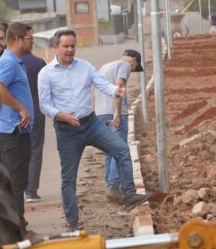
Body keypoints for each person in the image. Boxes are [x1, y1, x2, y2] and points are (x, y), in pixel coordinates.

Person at [38, 29, 152, 231]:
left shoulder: (84, 67)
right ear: (56, 47)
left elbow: (103, 85)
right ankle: (73, 221)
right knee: (68, 178)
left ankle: (128, 194)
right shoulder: (46, 74)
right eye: (66, 46)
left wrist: (117, 90)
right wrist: (62, 115)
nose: (70, 50)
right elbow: (44, 105)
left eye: (73, 45)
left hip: (91, 124)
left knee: (121, 149)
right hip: (67, 130)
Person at [0, 22, 34, 234]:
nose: (32, 41)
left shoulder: (15, 61)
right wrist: (21, 108)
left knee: (19, 181)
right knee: (15, 183)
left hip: (18, 131)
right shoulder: (8, 62)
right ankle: (18, 229)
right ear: (17, 39)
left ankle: (19, 225)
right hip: (12, 133)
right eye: (29, 38)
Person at [95, 49, 144, 205]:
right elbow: (119, 86)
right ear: (134, 60)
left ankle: (111, 186)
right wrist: (117, 112)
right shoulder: (125, 65)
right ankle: (118, 188)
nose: (133, 71)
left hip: (101, 113)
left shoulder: (105, 67)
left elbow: (95, 89)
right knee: (121, 151)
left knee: (110, 151)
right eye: (136, 67)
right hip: (114, 114)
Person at [22, 44, 47, 203]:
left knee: (16, 151)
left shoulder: (7, 61)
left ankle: (15, 189)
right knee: (35, 149)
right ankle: (31, 191)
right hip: (35, 110)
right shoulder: (39, 63)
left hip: (13, 112)